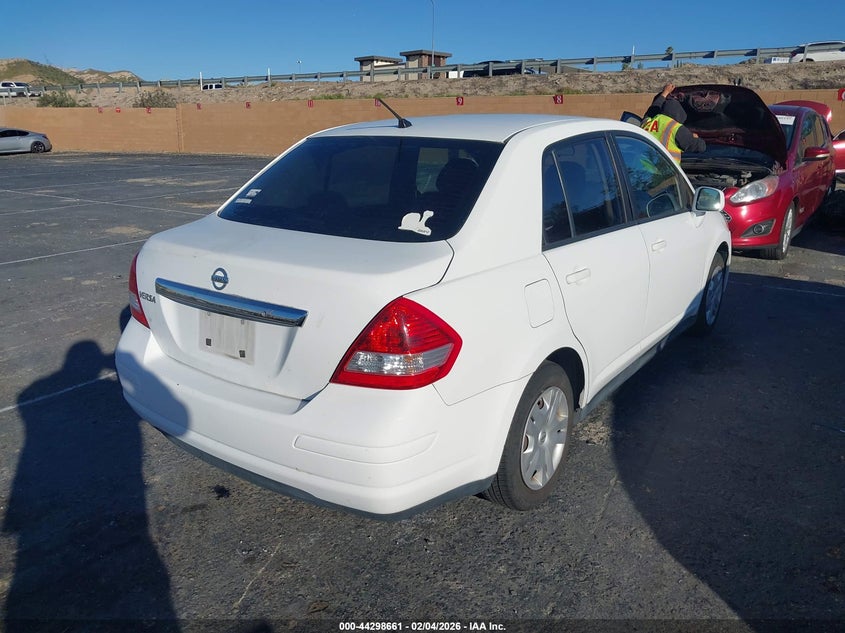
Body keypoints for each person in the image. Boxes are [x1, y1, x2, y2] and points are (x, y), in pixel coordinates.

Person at [641, 83, 705, 163]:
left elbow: (653, 108)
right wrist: (695, 138)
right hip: (662, 171)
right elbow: (701, 147)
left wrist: (665, 92)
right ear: (679, 116)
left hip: (641, 168)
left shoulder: (647, 122)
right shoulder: (675, 127)